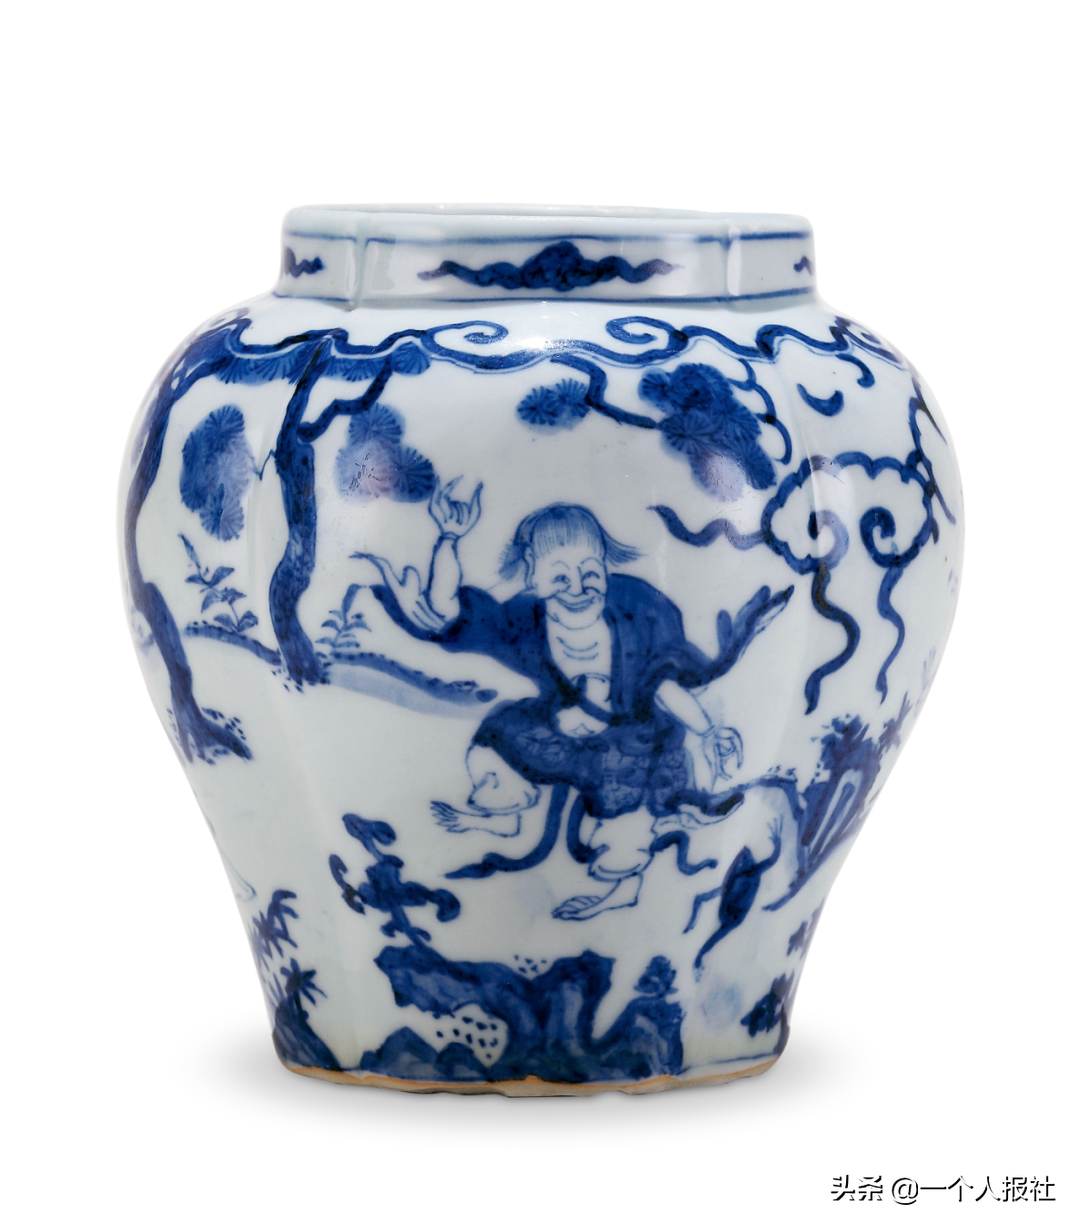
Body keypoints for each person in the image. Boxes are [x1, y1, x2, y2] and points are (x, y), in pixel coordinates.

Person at [364, 481, 782, 920]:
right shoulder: (525, 623)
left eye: (590, 573)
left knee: (623, 821)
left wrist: (709, 732)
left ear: (606, 568)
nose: (577, 587)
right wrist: (449, 539)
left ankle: (624, 887)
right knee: (496, 742)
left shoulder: (634, 619)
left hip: (630, 741)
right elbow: (448, 612)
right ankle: (507, 813)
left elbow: (664, 687)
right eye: (560, 577)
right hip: (560, 729)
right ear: (533, 578)